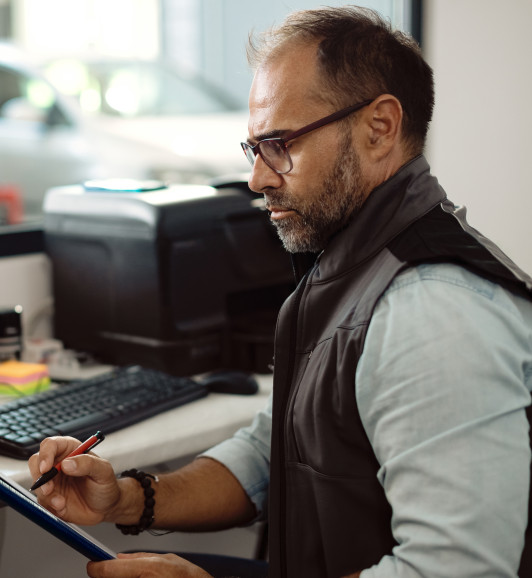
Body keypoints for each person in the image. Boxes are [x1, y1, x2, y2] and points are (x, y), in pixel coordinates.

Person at [29, 6, 532, 578]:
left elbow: (459, 573)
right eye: (255, 149)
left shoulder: (433, 312)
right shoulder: (346, 266)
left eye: (279, 143)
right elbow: (276, 455)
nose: (258, 178)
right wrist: (127, 498)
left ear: (380, 128)